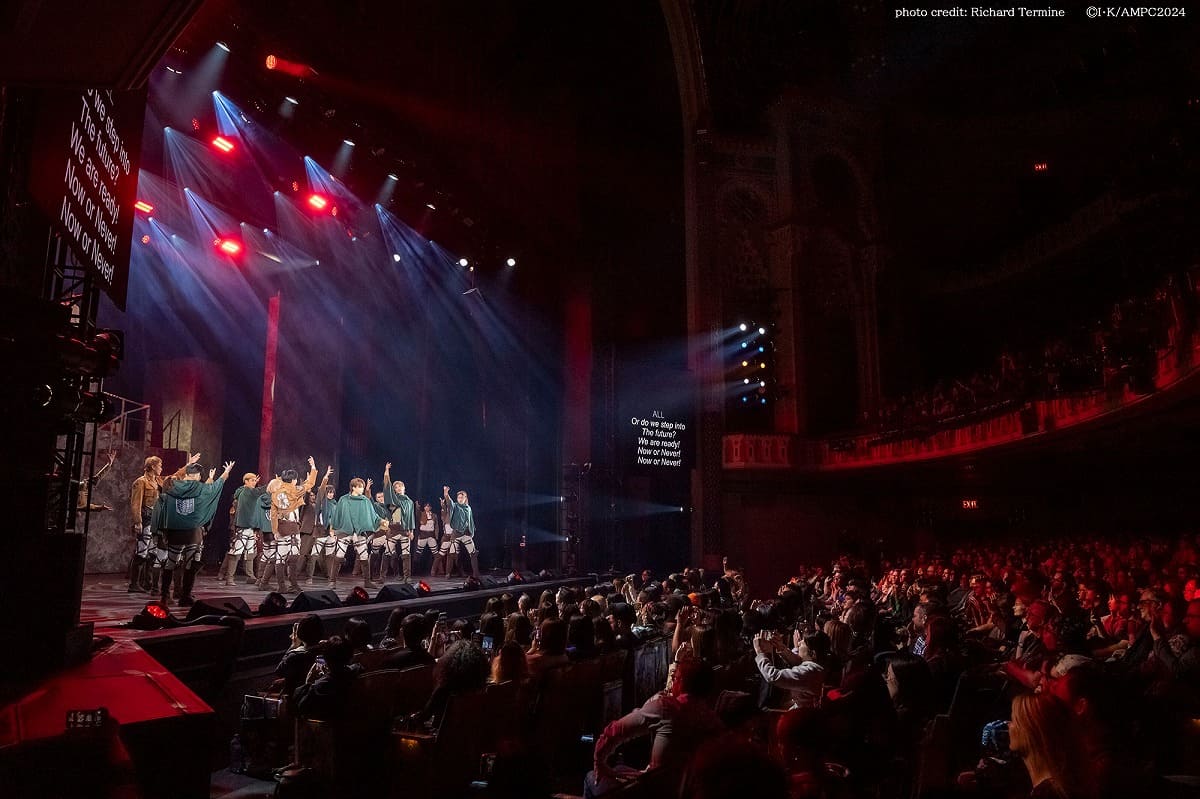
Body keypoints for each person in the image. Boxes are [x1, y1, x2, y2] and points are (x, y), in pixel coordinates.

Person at [586, 660, 722, 798]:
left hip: (653, 791)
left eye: (674, 678)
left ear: (681, 682)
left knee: (591, 777)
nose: (671, 682)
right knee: (619, 769)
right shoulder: (715, 722)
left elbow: (614, 731)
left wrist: (599, 762)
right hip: (687, 793)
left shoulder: (667, 707)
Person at [155, 458, 234, 606]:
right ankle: (185, 596)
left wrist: (186, 466)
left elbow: (166, 480)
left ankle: (165, 596)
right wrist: (225, 472)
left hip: (175, 530)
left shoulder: (171, 484)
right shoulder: (200, 488)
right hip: (192, 531)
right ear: (198, 476)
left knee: (171, 562)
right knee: (191, 562)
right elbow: (216, 487)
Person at [126, 453, 196, 593]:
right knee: (141, 551)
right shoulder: (141, 482)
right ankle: (133, 584)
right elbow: (136, 503)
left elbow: (173, 477)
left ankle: (147, 582)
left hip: (155, 521)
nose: (161, 468)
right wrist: (137, 522)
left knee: (152, 553)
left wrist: (188, 465)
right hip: (146, 519)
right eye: (159, 465)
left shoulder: (157, 480)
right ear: (152, 466)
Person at [1008, 692, 1086, 798]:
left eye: (1014, 720)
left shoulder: (1048, 794)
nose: (1008, 725)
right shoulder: (1062, 787)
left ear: (1032, 731)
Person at [262, 457, 318, 594]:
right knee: (293, 556)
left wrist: (275, 530)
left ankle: (282, 586)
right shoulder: (295, 490)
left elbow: (273, 514)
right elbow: (310, 483)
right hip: (292, 527)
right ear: (293, 480)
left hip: (281, 527)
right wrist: (313, 468)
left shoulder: (276, 494)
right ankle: (292, 584)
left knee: (280, 557)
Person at [326, 477, 386, 589]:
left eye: (363, 487)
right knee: (339, 555)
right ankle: (332, 581)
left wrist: (381, 521)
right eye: (360, 487)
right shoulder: (344, 500)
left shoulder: (365, 501)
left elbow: (373, 515)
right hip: (345, 530)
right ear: (353, 487)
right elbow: (337, 515)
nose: (362, 489)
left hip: (359, 532)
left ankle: (367, 581)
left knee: (364, 555)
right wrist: (332, 528)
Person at [753, 630, 827, 710]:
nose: (798, 644)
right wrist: (781, 647)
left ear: (813, 653)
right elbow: (797, 662)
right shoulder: (817, 667)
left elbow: (774, 676)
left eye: (802, 644)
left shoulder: (810, 672)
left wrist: (760, 653)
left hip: (802, 716)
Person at [292, 636, 359, 721]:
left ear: (326, 659)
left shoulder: (319, 686)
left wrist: (309, 682)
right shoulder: (357, 670)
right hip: (353, 720)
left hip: (331, 728)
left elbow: (300, 707)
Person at [218, 472, 267, 587]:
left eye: (255, 480)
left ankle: (250, 576)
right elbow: (259, 491)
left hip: (250, 526)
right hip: (242, 526)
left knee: (250, 552)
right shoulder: (246, 491)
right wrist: (273, 484)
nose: (255, 482)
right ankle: (228, 577)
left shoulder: (246, 491)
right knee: (236, 552)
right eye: (252, 480)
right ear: (246, 481)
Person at [293, 465, 333, 589]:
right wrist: (308, 484)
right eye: (311, 496)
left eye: (314, 496)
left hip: (320, 532)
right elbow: (305, 495)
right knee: (303, 553)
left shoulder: (319, 506)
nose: (313, 498)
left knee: (319, 556)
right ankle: (295, 574)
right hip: (308, 531)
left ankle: (327, 575)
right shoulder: (305, 505)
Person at [274, 614, 324, 701]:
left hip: (295, 697)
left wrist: (293, 645)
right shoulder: (325, 650)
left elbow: (279, 671)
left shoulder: (294, 655)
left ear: (299, 634)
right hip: (319, 696)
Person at [383, 463, 416, 583]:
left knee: (406, 554)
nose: (398, 488)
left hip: (404, 530)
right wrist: (387, 471)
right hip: (393, 528)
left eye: (400, 486)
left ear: (404, 488)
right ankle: (382, 577)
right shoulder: (393, 499)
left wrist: (411, 531)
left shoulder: (409, 502)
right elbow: (387, 486)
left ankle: (407, 577)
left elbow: (411, 517)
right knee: (387, 553)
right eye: (396, 487)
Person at [442, 485, 480, 579]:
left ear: (465, 498)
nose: (460, 499)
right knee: (451, 553)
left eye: (462, 497)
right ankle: (448, 573)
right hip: (456, 533)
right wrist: (446, 493)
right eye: (459, 497)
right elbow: (449, 501)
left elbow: (471, 520)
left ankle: (476, 573)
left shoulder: (468, 508)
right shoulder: (455, 506)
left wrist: (472, 532)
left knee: (473, 553)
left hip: (466, 533)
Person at [307, 481, 338, 585]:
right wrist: (325, 479)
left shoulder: (335, 504)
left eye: (332, 492)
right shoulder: (321, 503)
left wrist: (335, 530)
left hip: (332, 532)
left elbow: (336, 518)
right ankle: (309, 577)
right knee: (314, 555)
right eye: (328, 492)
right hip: (321, 531)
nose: (330, 494)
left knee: (330, 555)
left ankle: (330, 577)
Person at [415, 501, 439, 576]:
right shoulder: (421, 514)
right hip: (423, 535)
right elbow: (417, 513)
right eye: (425, 506)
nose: (427, 507)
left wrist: (437, 535)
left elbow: (436, 526)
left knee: (436, 553)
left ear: (430, 507)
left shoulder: (434, 515)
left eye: (428, 506)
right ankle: (416, 570)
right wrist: (417, 507)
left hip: (431, 535)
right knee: (418, 552)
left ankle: (437, 570)